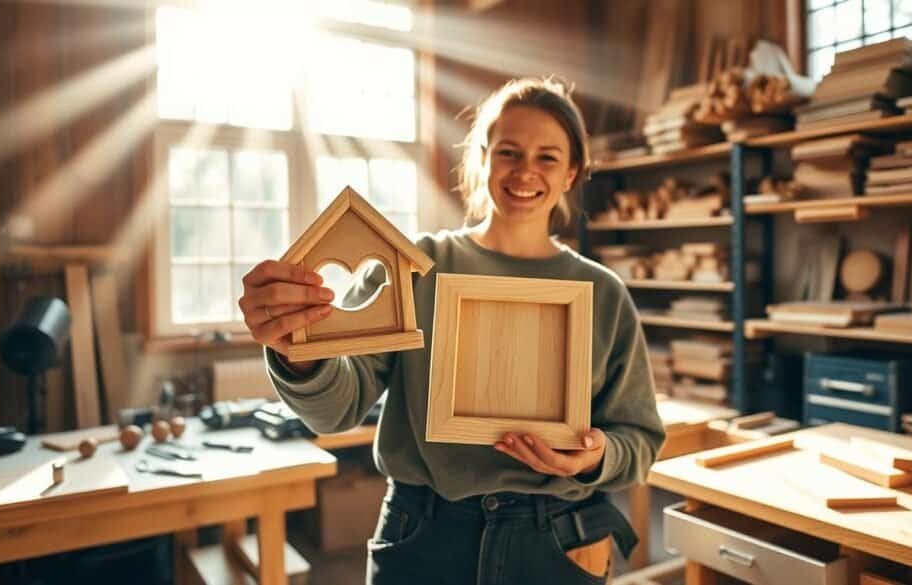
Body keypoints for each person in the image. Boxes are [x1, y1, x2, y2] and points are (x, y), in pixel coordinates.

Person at [239, 76, 665, 584]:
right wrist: (299, 353)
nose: (526, 170)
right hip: (425, 535)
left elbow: (639, 440)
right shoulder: (418, 267)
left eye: (547, 157)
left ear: (572, 173)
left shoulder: (602, 292)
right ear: (482, 159)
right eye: (509, 151)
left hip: (555, 542)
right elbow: (336, 411)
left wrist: (595, 458)